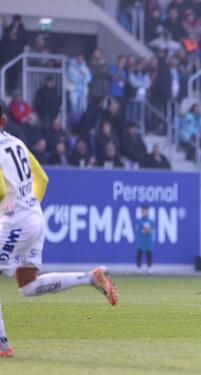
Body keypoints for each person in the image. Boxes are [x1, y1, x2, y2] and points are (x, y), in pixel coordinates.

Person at [0, 104, 117, 358]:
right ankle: (90, 277)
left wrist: (13, 210)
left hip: (14, 222)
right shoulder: (17, 143)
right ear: (4, 121)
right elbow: (42, 178)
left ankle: (2, 345)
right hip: (34, 216)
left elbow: (0, 189)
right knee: (27, 285)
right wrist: (27, 207)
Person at [135, 205, 155, 273]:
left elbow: (151, 230)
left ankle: (150, 267)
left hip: (148, 241)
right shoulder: (139, 221)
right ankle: (138, 268)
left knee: (149, 254)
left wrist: (146, 230)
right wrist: (146, 230)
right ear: (141, 212)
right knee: (139, 254)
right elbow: (140, 230)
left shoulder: (151, 221)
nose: (145, 212)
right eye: (143, 211)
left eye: (146, 211)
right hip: (141, 241)